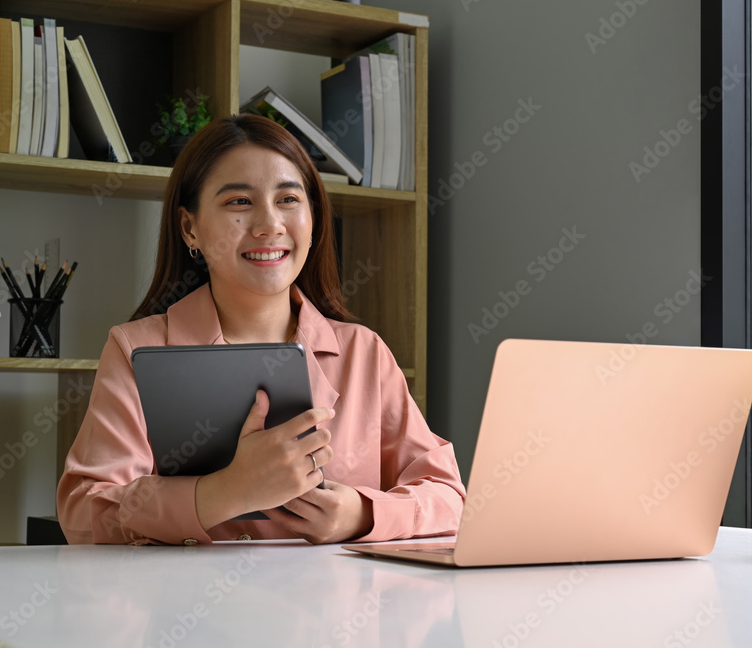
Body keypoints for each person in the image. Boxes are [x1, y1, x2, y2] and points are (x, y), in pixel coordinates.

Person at [56, 114, 465, 545]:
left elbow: (449, 497)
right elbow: (85, 511)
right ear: (190, 228)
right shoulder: (136, 348)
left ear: (314, 219)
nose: (269, 225)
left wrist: (362, 515)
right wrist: (221, 493)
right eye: (239, 202)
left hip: (333, 609)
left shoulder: (364, 352)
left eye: (288, 199)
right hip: (187, 609)